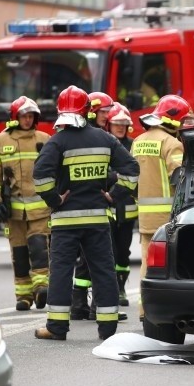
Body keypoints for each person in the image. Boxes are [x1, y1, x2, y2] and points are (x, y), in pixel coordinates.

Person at [33, 85, 139, 341]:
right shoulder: (105, 139)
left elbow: (39, 176)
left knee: (61, 272)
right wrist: (114, 195)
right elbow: (132, 170)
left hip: (65, 220)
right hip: (97, 219)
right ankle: (108, 329)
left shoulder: (57, 141)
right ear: (87, 110)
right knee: (103, 270)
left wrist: (55, 199)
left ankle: (57, 328)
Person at [0, 96, 51, 311]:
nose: (27, 120)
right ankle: (24, 296)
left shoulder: (44, 139)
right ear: (15, 117)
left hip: (40, 208)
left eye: (31, 116)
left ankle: (42, 288)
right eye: (24, 115)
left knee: (40, 248)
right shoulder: (0, 141)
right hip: (13, 211)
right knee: (20, 254)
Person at [70, 91, 130, 319]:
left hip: (98, 205)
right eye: (104, 111)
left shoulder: (99, 135)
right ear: (92, 111)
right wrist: (113, 182)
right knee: (101, 257)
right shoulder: (95, 137)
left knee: (90, 257)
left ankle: (80, 305)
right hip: (93, 203)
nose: (109, 115)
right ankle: (96, 306)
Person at [133, 94, 190, 321]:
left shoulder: (139, 141)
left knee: (148, 263)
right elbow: (180, 178)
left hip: (145, 216)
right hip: (168, 216)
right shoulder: (172, 143)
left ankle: (143, 309)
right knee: (172, 265)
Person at [105, 103, 138, 309]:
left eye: (123, 124)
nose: (120, 128)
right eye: (116, 124)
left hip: (127, 206)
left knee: (124, 252)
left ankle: (121, 288)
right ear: (109, 125)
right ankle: (111, 288)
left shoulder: (133, 146)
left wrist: (113, 176)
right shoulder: (103, 144)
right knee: (110, 250)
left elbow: (137, 172)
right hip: (108, 205)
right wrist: (115, 176)